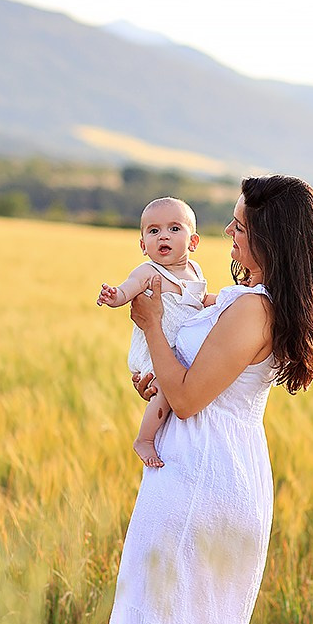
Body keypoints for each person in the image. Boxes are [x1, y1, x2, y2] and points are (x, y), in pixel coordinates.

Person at [101, 174, 313, 624]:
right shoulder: (245, 303)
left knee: (171, 623)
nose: (229, 233)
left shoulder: (252, 310)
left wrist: (151, 327)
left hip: (199, 482)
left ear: (269, 239)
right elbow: (190, 388)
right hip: (217, 471)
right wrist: (158, 371)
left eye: (240, 225)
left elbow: (185, 399)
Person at [97, 197, 214, 468]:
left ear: (193, 242)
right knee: (164, 388)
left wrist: (226, 300)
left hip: (180, 351)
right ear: (142, 245)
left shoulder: (195, 271)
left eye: (174, 229)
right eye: (154, 231)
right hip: (155, 350)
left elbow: (201, 299)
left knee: (184, 385)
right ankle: (145, 439)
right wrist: (115, 296)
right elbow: (128, 290)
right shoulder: (148, 271)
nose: (164, 236)